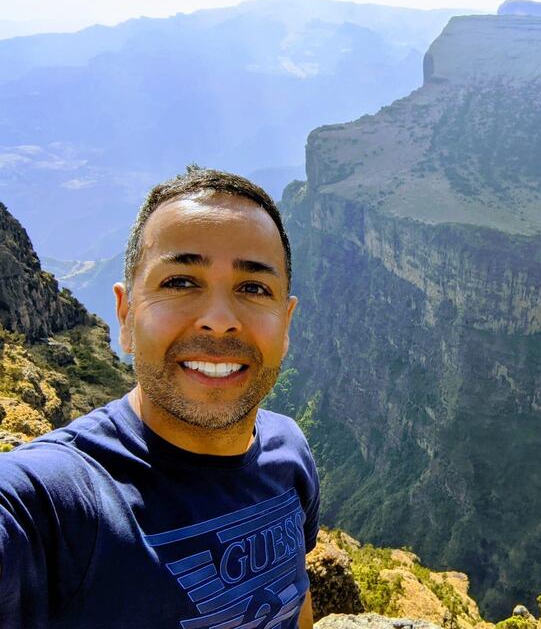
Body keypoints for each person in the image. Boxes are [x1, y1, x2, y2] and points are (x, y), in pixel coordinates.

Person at [0, 167, 320, 629]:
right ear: (126, 315)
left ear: (286, 323)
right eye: (180, 282)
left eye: (253, 288)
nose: (218, 319)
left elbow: (296, 595)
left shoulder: (289, 453)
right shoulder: (58, 502)